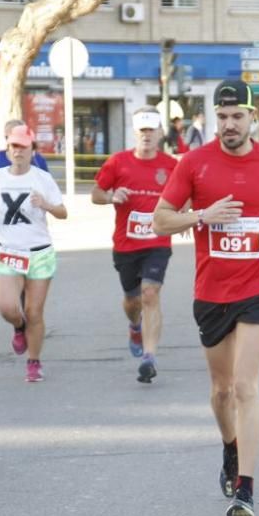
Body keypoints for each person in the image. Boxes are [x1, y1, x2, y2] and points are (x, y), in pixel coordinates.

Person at [152, 80, 259, 516]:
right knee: (221, 392)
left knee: (245, 387)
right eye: (222, 117)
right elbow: (161, 220)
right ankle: (230, 447)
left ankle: (246, 490)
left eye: (238, 116)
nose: (229, 124)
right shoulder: (194, 164)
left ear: (253, 118)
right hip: (212, 291)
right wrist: (201, 215)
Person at [91, 107, 178, 383]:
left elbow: (185, 195)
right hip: (126, 245)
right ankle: (134, 325)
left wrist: (185, 217)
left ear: (160, 133)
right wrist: (110, 197)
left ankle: (149, 357)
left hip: (158, 241)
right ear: (135, 132)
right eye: (142, 131)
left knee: (150, 293)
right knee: (133, 300)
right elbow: (95, 194)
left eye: (151, 130)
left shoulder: (171, 165)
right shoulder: (118, 163)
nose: (147, 136)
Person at [0, 125, 67, 382]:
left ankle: (34, 361)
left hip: (39, 251)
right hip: (8, 250)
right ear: (7, 150)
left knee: (34, 311)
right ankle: (19, 328)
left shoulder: (42, 178)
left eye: (22, 146)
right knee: (7, 307)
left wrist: (46, 205)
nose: (17, 151)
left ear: (32, 150)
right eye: (13, 146)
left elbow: (63, 212)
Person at [0, 119, 50, 242]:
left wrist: (44, 204)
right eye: (8, 138)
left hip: (30, 225)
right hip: (2, 222)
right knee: (0, 254)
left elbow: (48, 188)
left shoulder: (38, 160)